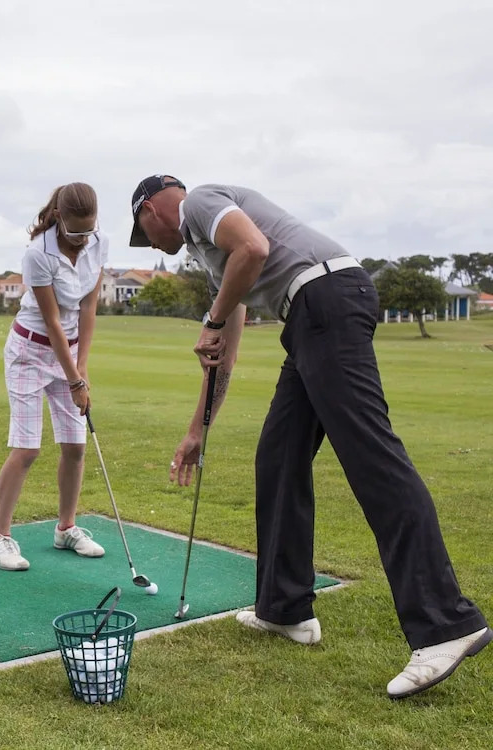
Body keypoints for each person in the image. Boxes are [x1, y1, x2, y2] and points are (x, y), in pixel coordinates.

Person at [128, 173, 490, 698]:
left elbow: (254, 248)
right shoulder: (213, 260)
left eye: (145, 235)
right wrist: (198, 430)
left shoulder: (201, 202)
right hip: (308, 318)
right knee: (278, 458)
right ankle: (285, 609)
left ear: (150, 210)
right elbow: (225, 351)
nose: (153, 245)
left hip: (326, 299)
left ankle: (445, 624)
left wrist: (212, 319)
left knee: (373, 461)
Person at [0, 182, 108, 571]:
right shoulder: (38, 254)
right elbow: (53, 321)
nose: (82, 239)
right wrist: (75, 382)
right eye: (75, 232)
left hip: (68, 353)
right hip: (29, 352)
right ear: (58, 218)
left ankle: (66, 528)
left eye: (88, 231)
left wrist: (81, 367)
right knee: (27, 448)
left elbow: (88, 307)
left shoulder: (98, 243)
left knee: (75, 445)